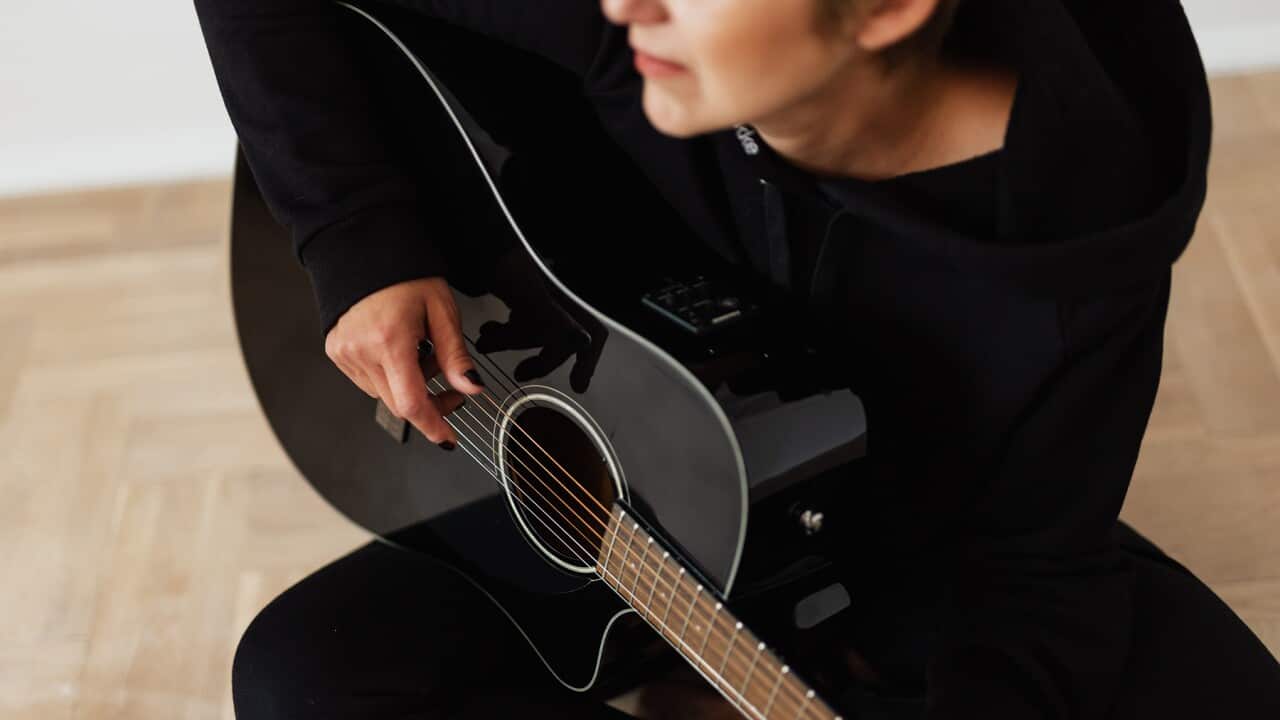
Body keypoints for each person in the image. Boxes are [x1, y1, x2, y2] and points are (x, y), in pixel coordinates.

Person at [192, 0, 1280, 717]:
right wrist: (358, 234)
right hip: (628, 421)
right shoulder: (675, 28)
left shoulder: (1070, 237)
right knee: (311, 674)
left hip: (903, 528)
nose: (623, 5)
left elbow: (1034, 571)